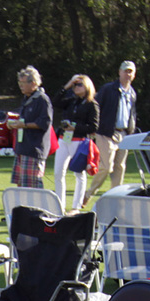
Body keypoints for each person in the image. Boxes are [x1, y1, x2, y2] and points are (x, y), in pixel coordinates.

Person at [85, 60, 136, 203]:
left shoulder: (132, 93)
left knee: (120, 167)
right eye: (125, 71)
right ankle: (89, 194)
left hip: (124, 134)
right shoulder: (109, 89)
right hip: (107, 132)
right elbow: (95, 106)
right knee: (106, 167)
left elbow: (132, 114)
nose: (128, 74)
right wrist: (93, 126)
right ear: (119, 72)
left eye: (130, 71)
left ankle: (115, 199)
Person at [8, 65, 51, 188]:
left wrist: (25, 125)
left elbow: (45, 123)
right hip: (22, 148)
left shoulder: (42, 99)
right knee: (21, 184)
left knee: (33, 186)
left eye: (23, 82)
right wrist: (14, 124)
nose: (20, 85)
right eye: (19, 82)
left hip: (34, 150)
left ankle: (39, 207)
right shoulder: (27, 99)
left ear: (33, 83)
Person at [59, 75, 97, 210]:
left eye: (79, 84)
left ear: (87, 86)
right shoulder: (71, 101)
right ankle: (60, 205)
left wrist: (76, 127)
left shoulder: (91, 104)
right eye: (75, 85)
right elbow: (56, 102)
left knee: (79, 173)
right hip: (64, 139)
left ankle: (76, 206)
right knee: (58, 173)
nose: (76, 87)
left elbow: (93, 127)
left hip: (79, 141)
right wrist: (67, 85)